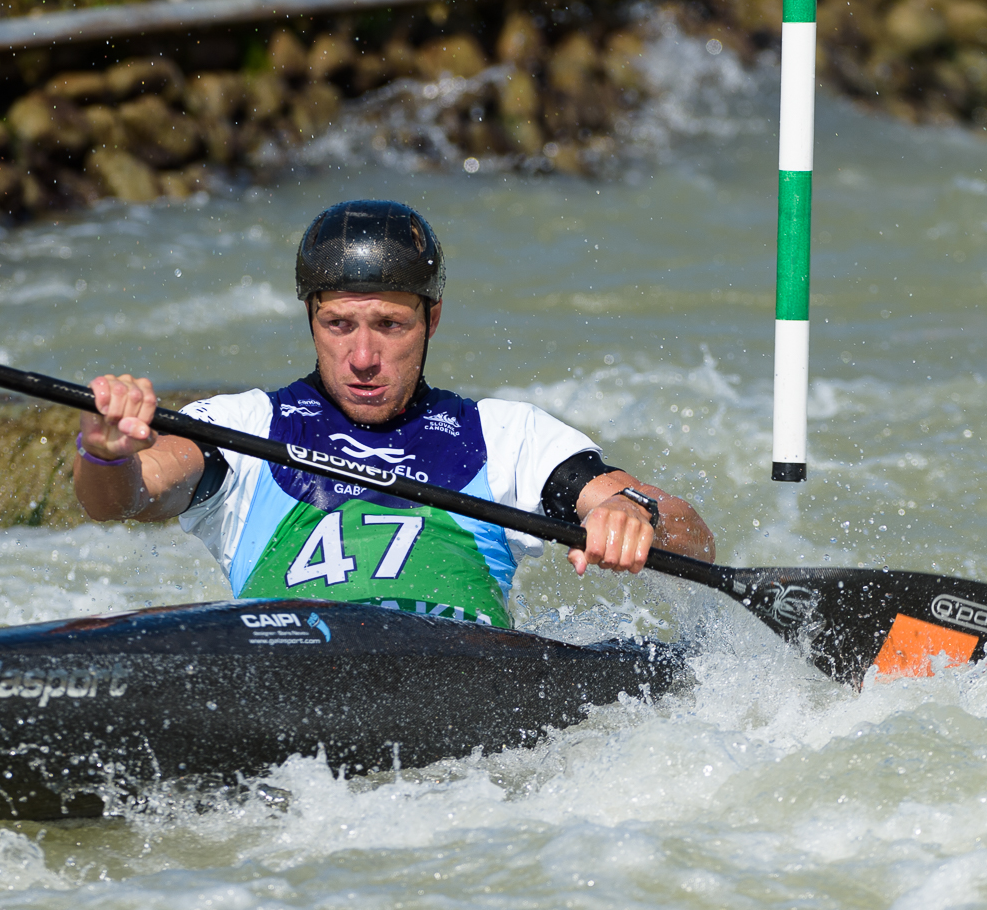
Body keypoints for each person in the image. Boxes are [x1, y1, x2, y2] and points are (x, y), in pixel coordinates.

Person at [71, 199, 715, 628]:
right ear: (310, 319)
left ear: (431, 319)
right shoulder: (244, 425)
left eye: (390, 325)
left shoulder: (508, 436)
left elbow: (692, 536)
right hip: (287, 677)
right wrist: (105, 450)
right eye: (338, 324)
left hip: (462, 679)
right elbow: (125, 497)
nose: (362, 356)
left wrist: (632, 513)